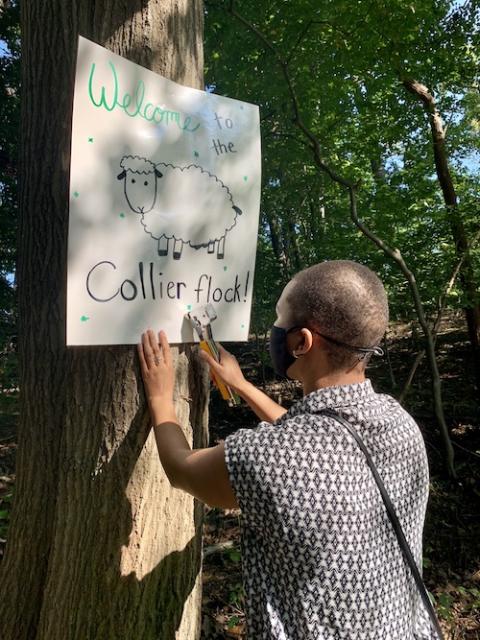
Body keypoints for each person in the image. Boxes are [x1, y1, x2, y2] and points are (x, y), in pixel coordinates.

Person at [138, 260, 433, 639]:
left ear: (302, 342)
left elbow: (181, 468)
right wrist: (242, 386)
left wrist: (161, 397)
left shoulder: (268, 457)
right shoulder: (399, 423)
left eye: (280, 318)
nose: (273, 328)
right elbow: (319, 438)